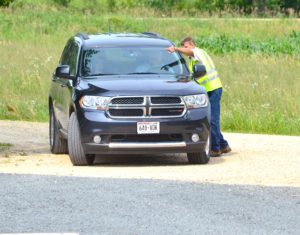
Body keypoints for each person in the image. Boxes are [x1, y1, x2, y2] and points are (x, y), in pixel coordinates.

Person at [167, 37, 231, 157]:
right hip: (208, 90)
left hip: (213, 89)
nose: (184, 50)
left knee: (213, 120)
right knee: (212, 120)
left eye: (185, 47)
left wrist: (175, 49)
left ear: (192, 45)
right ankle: (223, 145)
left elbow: (191, 52)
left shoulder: (198, 52)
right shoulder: (192, 60)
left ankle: (215, 149)